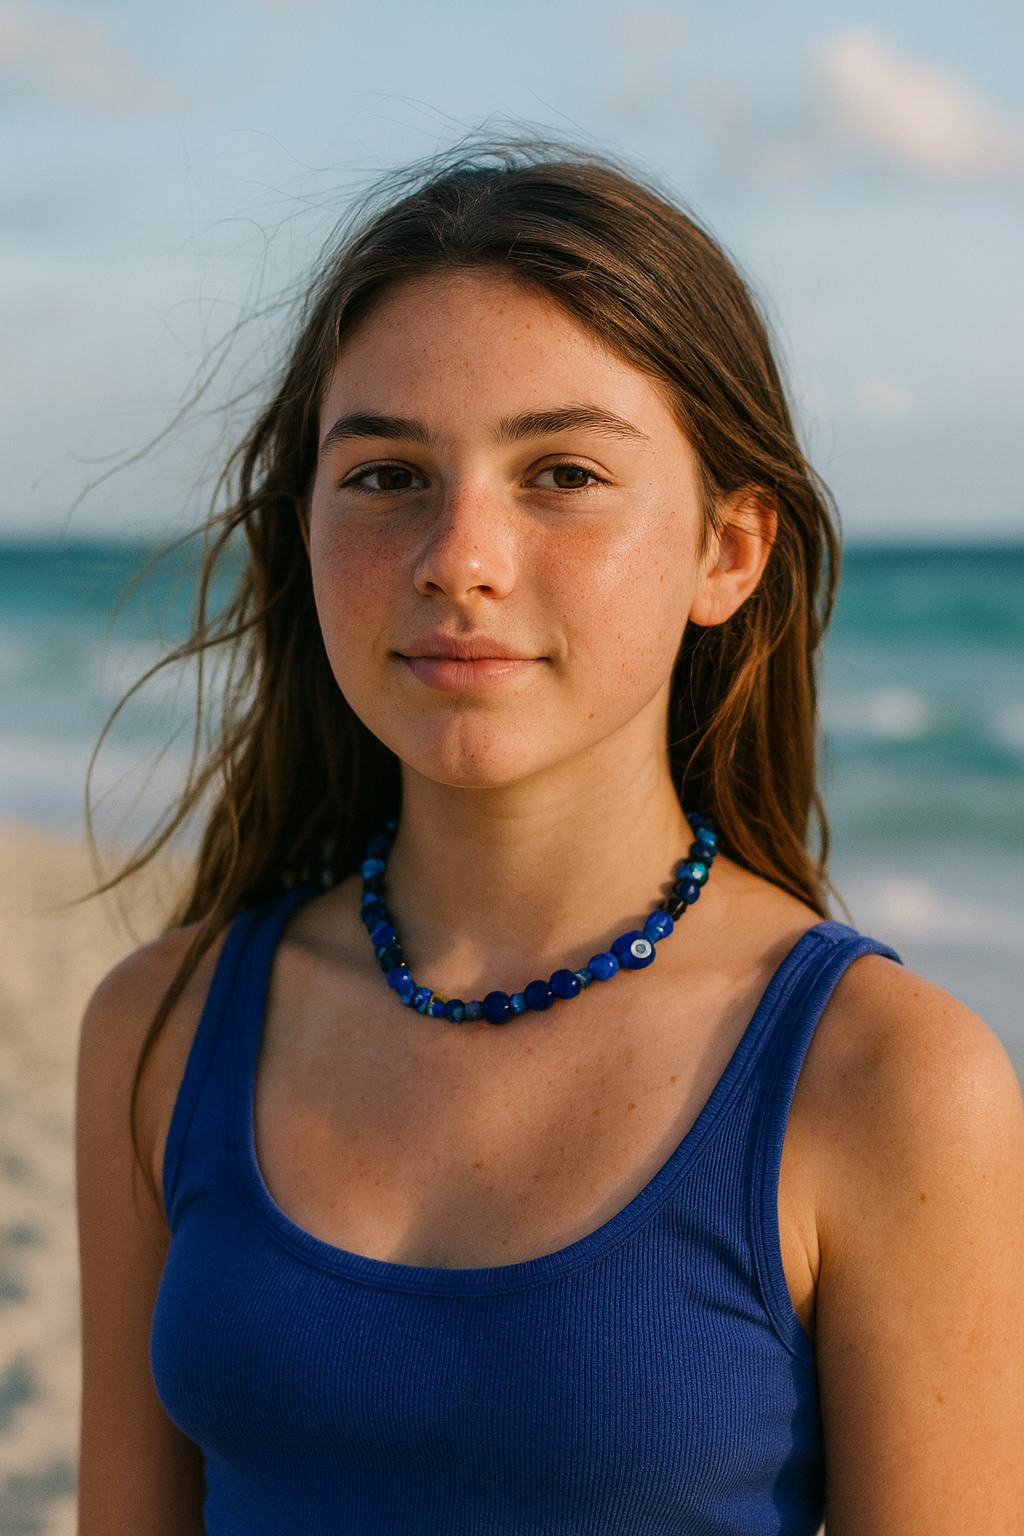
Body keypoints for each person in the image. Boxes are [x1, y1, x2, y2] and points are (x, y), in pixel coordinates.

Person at [76, 146, 1024, 1535]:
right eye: (387, 473)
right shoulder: (162, 1027)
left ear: (731, 552)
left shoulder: (887, 1080)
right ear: (306, 531)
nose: (460, 555)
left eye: (562, 472)